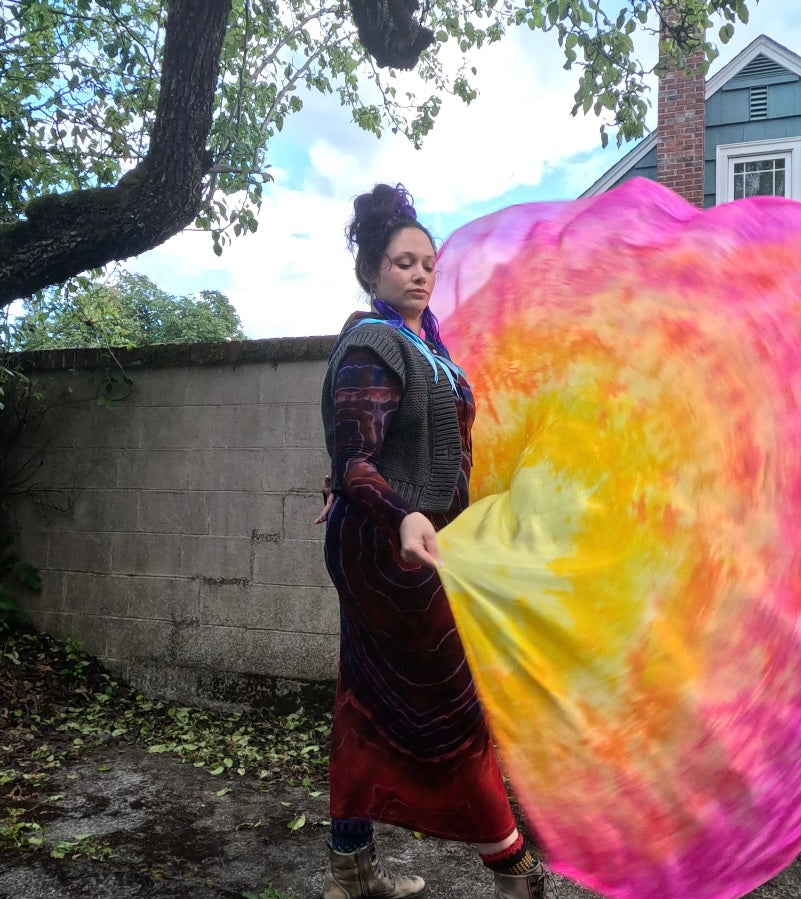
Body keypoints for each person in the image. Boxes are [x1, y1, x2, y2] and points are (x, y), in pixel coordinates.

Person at [317, 183, 557, 899]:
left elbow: (379, 453)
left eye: (427, 262)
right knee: (451, 703)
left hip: (410, 538)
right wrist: (397, 513)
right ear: (370, 271)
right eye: (401, 262)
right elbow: (355, 457)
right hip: (394, 551)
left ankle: (350, 868)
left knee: (363, 693)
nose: (420, 273)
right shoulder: (372, 344)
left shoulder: (428, 342)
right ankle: (512, 869)